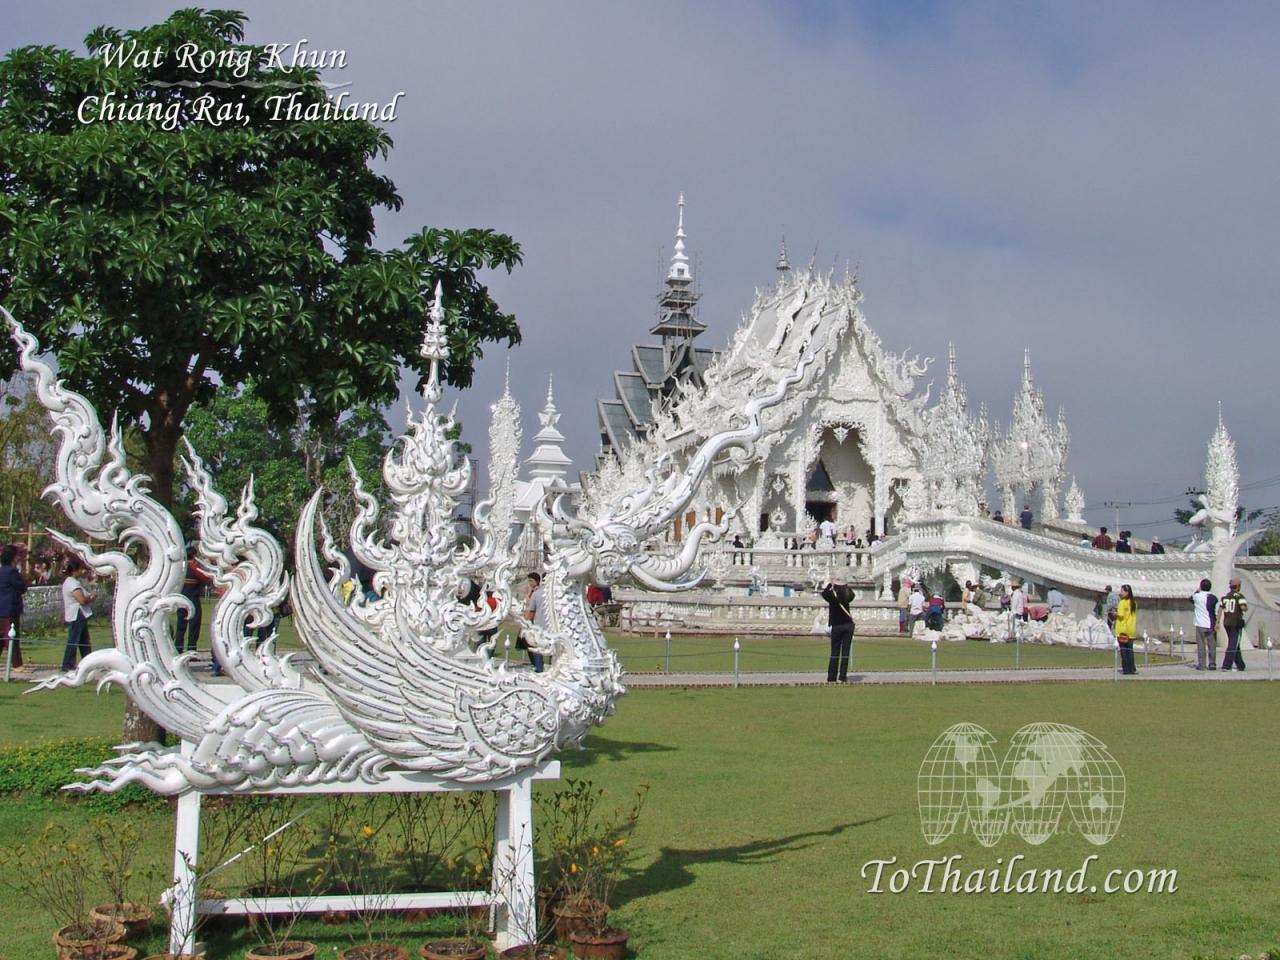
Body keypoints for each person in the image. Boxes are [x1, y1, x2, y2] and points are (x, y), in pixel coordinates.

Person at [175, 545, 212, 654]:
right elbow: (205, 577)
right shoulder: (195, 568)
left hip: (181, 600)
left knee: (180, 626)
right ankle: (191, 649)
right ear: (194, 556)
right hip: (193, 600)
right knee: (194, 626)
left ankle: (178, 648)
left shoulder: (181, 569)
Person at [60, 558, 95, 672]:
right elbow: (81, 600)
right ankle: (67, 664)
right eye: (81, 569)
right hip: (76, 614)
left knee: (83, 640)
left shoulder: (75, 582)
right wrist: (90, 598)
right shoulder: (71, 583)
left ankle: (88, 662)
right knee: (74, 640)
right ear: (75, 570)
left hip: (80, 614)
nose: (83, 571)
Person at [821, 577, 855, 682]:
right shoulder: (847, 594)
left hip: (837, 625)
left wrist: (830, 584)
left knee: (835, 652)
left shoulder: (832, 595)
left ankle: (832, 676)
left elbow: (824, 593)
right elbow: (852, 594)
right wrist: (845, 585)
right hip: (848, 625)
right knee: (845, 652)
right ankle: (843, 676)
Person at [0, 545, 27, 668]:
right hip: (9, 609)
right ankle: (17, 665)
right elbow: (21, 587)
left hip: (2, 609)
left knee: (2, 637)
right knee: (12, 636)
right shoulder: (12, 571)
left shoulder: (1, 570)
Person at [1219, 577, 1248, 671]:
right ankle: (1226, 665)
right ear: (1238, 586)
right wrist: (1244, 608)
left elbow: (1220, 610)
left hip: (1226, 623)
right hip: (1236, 624)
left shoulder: (1225, 597)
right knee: (1232, 644)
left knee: (1235, 643)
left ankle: (1241, 665)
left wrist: (1217, 622)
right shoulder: (1239, 596)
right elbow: (1243, 607)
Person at [1190, 578, 1218, 671]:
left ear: (1201, 586)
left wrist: (1197, 590)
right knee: (1212, 645)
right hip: (1211, 623)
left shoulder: (1197, 596)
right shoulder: (1214, 598)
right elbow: (1216, 611)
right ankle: (1212, 663)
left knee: (1201, 645)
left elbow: (1190, 599)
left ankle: (1202, 665)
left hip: (1200, 624)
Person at [522, 571, 546, 672]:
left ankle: (539, 669)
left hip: (538, 625)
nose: (530, 583)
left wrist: (527, 624)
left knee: (536, 647)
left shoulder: (537, 593)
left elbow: (531, 611)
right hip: (551, 625)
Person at [1114, 584, 1138, 675]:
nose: (1121, 593)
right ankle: (1132, 668)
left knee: (1123, 650)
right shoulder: (1134, 603)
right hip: (1131, 630)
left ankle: (1126, 669)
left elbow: (1121, 615)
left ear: (1127, 592)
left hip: (1122, 630)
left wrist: (1114, 613)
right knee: (1130, 650)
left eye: (1122, 591)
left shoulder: (1122, 602)